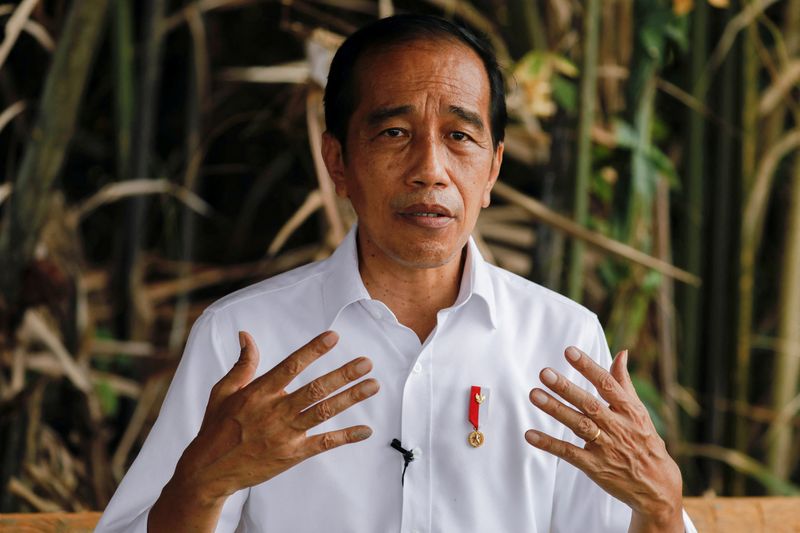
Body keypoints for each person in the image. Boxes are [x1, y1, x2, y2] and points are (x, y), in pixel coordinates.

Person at [96, 14, 696, 532]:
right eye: (394, 133)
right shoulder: (243, 337)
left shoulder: (562, 340)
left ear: (492, 170)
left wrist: (663, 506)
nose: (429, 169)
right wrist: (202, 485)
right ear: (338, 160)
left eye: (460, 136)